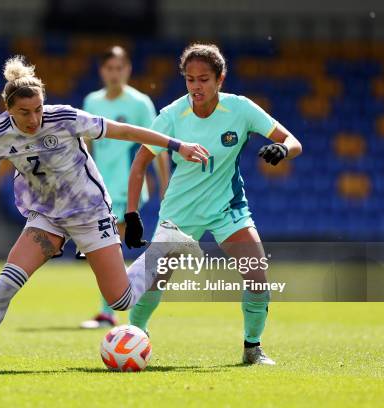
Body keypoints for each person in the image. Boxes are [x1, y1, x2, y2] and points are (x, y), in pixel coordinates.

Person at [0, 56, 209, 370]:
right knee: (5, 284)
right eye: (24, 112)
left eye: (38, 109)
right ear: (8, 110)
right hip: (46, 217)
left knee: (121, 301)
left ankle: (168, 243)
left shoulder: (64, 117)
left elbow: (124, 132)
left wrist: (176, 144)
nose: (34, 119)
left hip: (89, 212)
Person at [123, 43, 302, 365]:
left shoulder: (241, 109)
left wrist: (283, 150)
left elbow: (292, 141)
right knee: (154, 280)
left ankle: (253, 348)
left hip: (227, 209)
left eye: (203, 79)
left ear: (220, 78)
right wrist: (132, 214)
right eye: (190, 79)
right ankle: (132, 336)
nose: (196, 87)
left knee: (257, 275)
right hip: (180, 213)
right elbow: (139, 164)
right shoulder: (172, 115)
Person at [79, 45, 170, 329]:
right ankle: (133, 287)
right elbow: (87, 147)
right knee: (104, 248)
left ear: (128, 70)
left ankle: (109, 311)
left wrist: (166, 186)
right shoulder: (92, 101)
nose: (115, 74)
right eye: (110, 68)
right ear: (102, 71)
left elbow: (157, 145)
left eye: (120, 68)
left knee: (108, 245)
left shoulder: (140, 104)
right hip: (98, 187)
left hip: (126, 188)